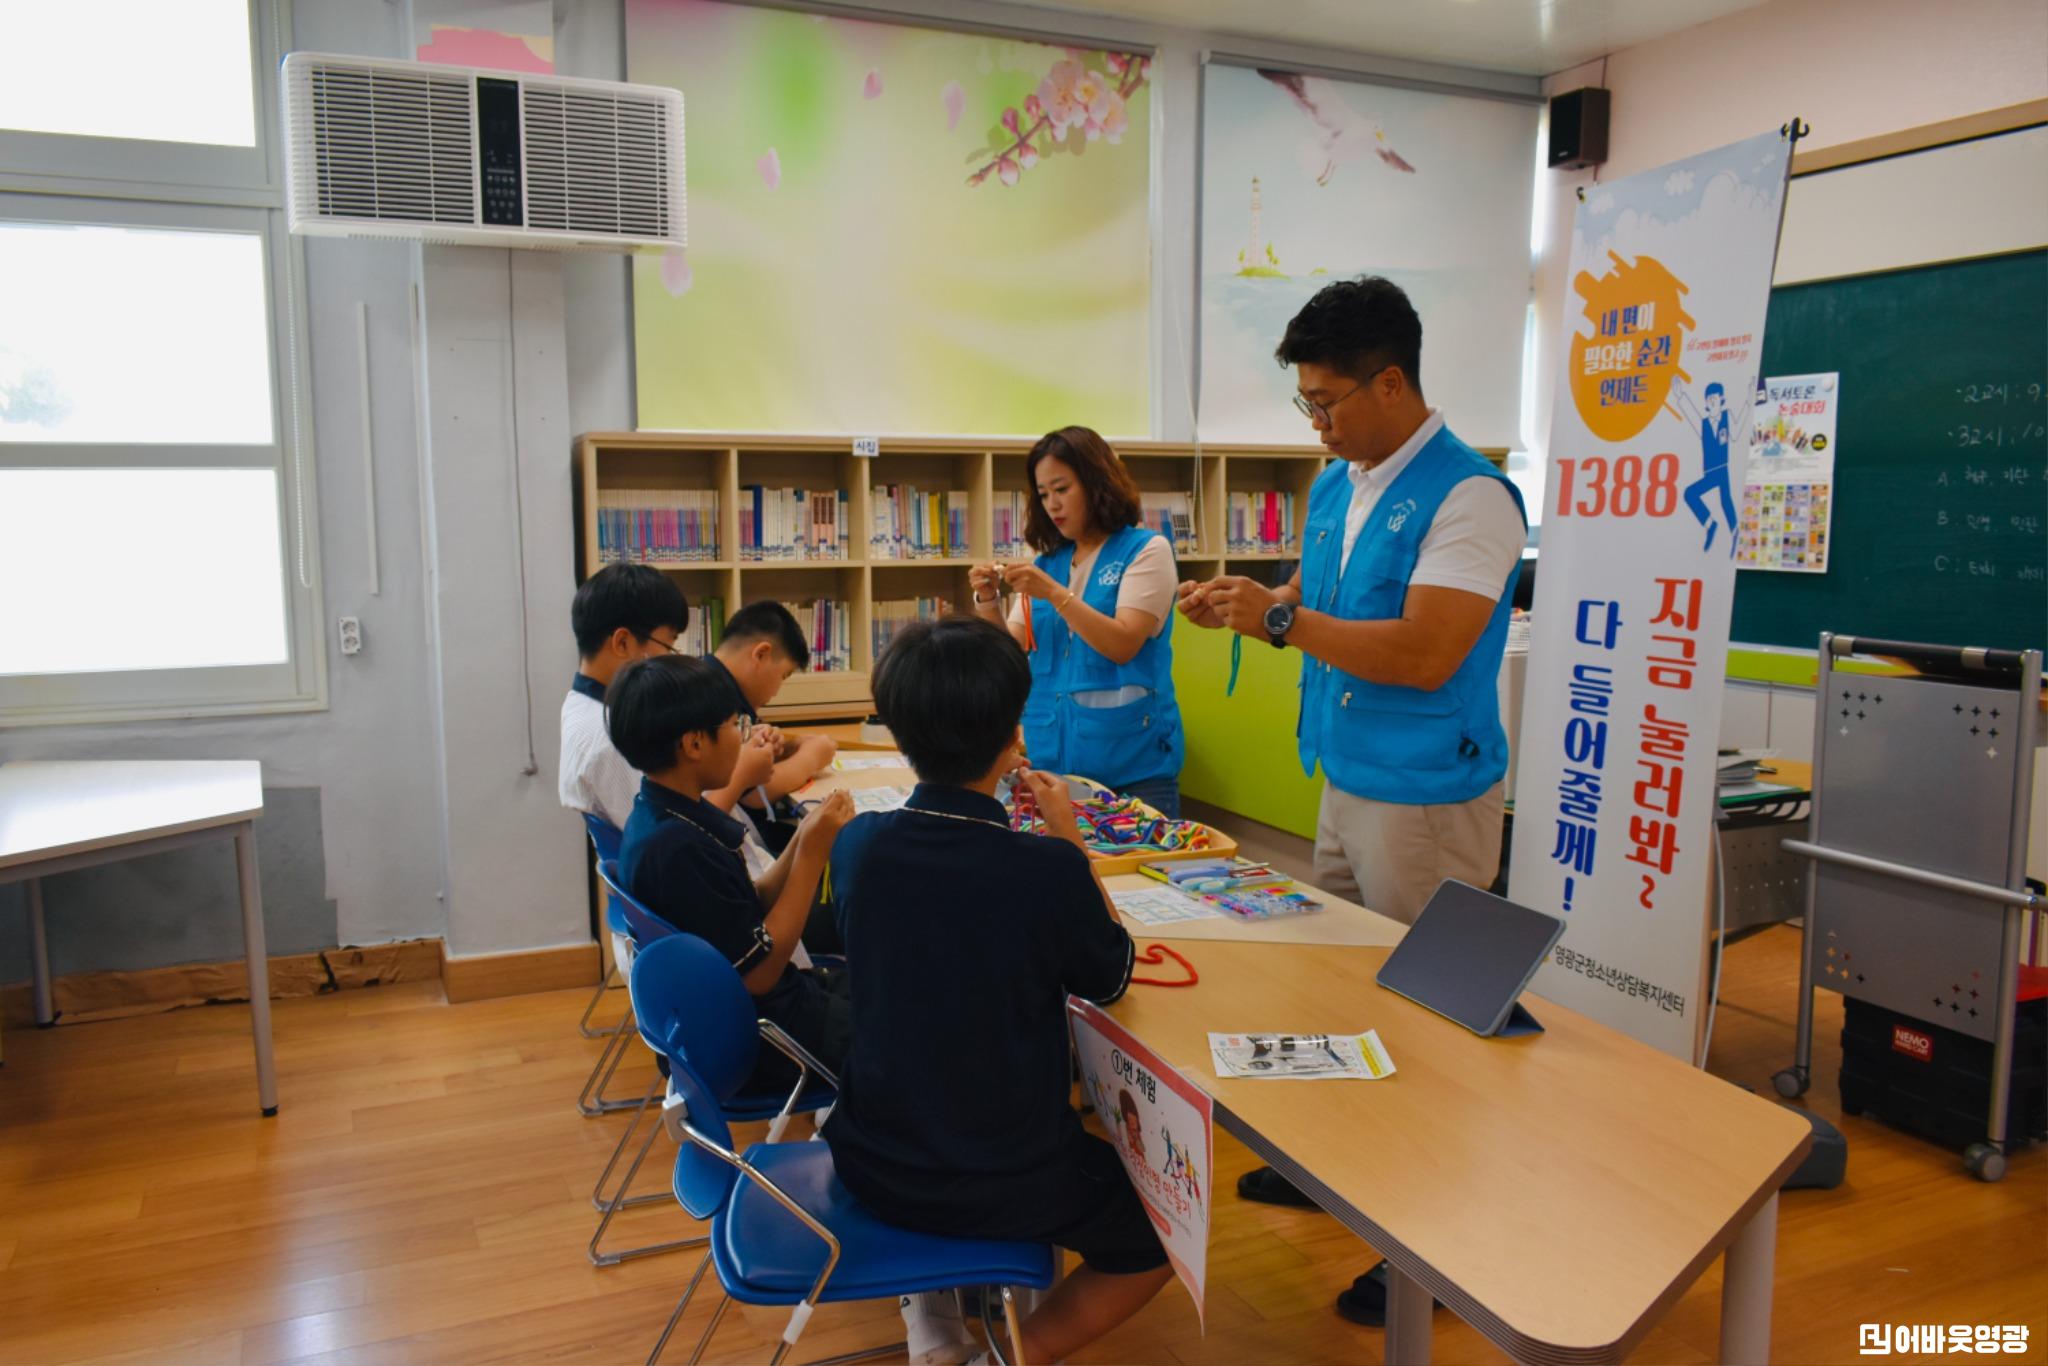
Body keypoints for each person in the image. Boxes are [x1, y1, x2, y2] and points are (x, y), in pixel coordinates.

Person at [1177, 275, 1525, 1327]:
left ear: (1391, 383)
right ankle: (1335, 1175)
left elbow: (1423, 653)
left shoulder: (1472, 498)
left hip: (1425, 798)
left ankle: (1429, 1249)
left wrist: (1281, 623)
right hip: (1342, 775)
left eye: (1326, 401)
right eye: (1306, 402)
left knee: (1431, 1029)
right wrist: (1250, 604)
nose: (1316, 422)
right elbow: (1313, 601)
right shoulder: (1339, 483)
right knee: (1338, 997)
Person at [823, 617, 1169, 1366]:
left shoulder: (858, 846)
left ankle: (935, 1316)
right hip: (1007, 1177)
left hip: (871, 1158)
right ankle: (1011, 1356)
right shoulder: (1044, 870)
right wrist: (1069, 837)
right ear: (1015, 736)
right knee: (1161, 1231)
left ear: (898, 733)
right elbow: (1110, 976)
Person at [608, 654, 855, 1094]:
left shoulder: (662, 815)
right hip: (767, 1040)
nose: (743, 738)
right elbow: (759, 974)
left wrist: (802, 839)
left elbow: (750, 903)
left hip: (754, 1016)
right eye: (734, 726)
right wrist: (813, 856)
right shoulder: (677, 850)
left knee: (893, 987)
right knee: (918, 1026)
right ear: (694, 744)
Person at [969, 426, 1185, 817]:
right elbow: (1007, 658)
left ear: (1097, 482)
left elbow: (1122, 644)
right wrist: (987, 602)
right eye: (1043, 494)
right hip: (1051, 768)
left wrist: (1055, 593)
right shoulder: (1048, 563)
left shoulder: (1146, 550)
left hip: (1132, 769)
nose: (1052, 505)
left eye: (1062, 489)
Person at [560, 564, 780, 876]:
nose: (674, 659)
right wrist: (741, 773)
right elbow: (683, 831)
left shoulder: (589, 707)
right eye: (668, 645)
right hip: (724, 879)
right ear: (622, 643)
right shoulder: (609, 739)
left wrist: (730, 741)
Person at [706, 601, 840, 843]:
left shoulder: (711, 681)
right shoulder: (713, 697)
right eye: (783, 675)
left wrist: (783, 750)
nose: (778, 689)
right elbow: (753, 795)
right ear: (761, 654)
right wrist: (810, 758)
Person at [1683, 381, 1736, 552]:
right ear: (1706, 402)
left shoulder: (1727, 417)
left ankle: (1735, 531)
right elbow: (1691, 414)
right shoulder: (1704, 423)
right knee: (1690, 493)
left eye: (1715, 398)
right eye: (1709, 399)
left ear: (1722, 399)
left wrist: (1750, 400)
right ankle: (1710, 524)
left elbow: (1739, 430)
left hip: (1722, 468)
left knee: (1725, 500)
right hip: (1710, 472)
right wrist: (1681, 396)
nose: (1712, 401)